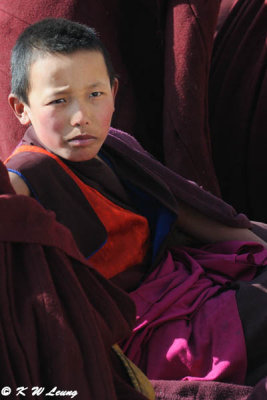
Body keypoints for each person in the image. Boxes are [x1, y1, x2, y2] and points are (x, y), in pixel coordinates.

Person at [5, 18, 267, 386]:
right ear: (21, 109)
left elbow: (184, 206)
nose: (81, 117)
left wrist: (254, 242)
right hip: (137, 329)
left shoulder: (114, 144)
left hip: (178, 281)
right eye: (59, 100)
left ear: (114, 91)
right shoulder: (26, 174)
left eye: (95, 95)